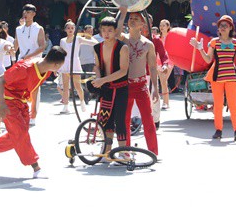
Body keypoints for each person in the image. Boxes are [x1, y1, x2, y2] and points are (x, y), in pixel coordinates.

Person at [0, 47, 67, 177]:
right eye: (60, 65)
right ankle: (36, 168)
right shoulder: (24, 68)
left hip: (20, 100)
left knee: (18, 134)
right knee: (21, 134)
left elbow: (34, 88)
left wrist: (34, 107)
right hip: (7, 100)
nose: (60, 68)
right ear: (56, 64)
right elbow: (0, 80)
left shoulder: (46, 71)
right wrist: (1, 104)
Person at [192, 15, 236, 140]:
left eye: (225, 25)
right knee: (217, 105)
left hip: (231, 77)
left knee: (233, 104)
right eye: (220, 25)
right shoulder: (214, 42)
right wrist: (200, 48)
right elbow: (208, 59)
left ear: (230, 28)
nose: (222, 28)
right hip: (217, 77)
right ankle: (218, 130)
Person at [117, 10, 160, 154]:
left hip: (141, 85)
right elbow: (116, 32)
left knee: (148, 120)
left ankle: (153, 152)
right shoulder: (123, 39)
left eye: (136, 18)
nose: (132, 20)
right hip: (125, 84)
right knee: (124, 120)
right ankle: (125, 152)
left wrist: (155, 88)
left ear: (143, 24)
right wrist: (123, 13)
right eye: (130, 18)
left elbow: (153, 67)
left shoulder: (148, 44)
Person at [91, 16, 130, 153]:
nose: (106, 34)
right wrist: (98, 78)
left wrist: (102, 80)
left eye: (109, 30)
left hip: (120, 88)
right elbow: (96, 66)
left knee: (120, 120)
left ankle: (122, 151)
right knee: (105, 120)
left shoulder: (122, 47)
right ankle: (107, 150)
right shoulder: (97, 48)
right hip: (106, 88)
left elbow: (123, 71)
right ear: (100, 32)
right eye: (103, 30)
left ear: (115, 31)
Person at [13, 4, 46, 126]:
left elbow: (42, 46)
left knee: (34, 89)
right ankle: (22, 112)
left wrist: (30, 55)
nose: (25, 14)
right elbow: (15, 47)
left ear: (34, 14)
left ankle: (33, 115)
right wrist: (8, 50)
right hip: (21, 62)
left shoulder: (39, 28)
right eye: (24, 11)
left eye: (28, 12)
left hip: (35, 62)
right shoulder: (18, 29)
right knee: (21, 89)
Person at [57, 20, 97, 115]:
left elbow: (93, 43)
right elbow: (61, 54)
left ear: (75, 29)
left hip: (75, 63)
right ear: (65, 29)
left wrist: (92, 37)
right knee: (66, 87)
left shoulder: (78, 39)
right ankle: (66, 106)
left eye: (72, 28)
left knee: (77, 85)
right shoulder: (62, 40)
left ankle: (82, 101)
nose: (70, 30)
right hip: (65, 63)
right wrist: (58, 67)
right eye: (68, 28)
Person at [158, 19, 174, 110]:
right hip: (158, 61)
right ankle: (165, 102)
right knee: (162, 82)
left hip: (169, 61)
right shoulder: (157, 37)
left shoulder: (171, 37)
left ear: (168, 27)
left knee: (164, 81)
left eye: (163, 25)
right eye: (160, 25)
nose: (161, 27)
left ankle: (165, 102)